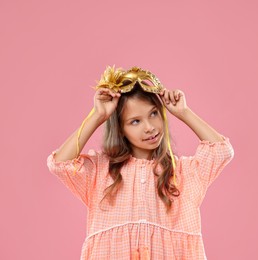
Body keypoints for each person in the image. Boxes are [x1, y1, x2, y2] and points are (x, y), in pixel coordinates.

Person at [47, 66, 234, 259]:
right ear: (121, 130)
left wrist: (184, 112)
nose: (150, 127)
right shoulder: (101, 172)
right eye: (135, 121)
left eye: (154, 113)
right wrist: (98, 116)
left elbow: (221, 151)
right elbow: (60, 163)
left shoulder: (183, 175)